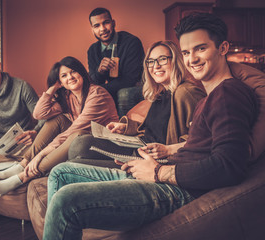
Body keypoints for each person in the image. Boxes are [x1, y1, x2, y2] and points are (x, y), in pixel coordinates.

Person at [42, 12, 259, 239]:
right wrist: (155, 157)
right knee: (60, 172)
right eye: (186, 52)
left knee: (66, 201)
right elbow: (195, 144)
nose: (192, 59)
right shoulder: (208, 97)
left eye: (201, 49)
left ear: (223, 48)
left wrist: (158, 171)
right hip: (162, 170)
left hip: (175, 188)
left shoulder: (227, 93)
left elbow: (228, 167)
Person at [0, 56, 119, 197]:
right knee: (57, 119)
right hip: (83, 139)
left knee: (77, 133)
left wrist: (41, 154)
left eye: (73, 72)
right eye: (64, 76)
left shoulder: (97, 94)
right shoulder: (69, 97)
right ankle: (23, 163)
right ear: (61, 82)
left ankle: (23, 177)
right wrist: (53, 88)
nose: (70, 77)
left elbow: (75, 129)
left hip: (103, 143)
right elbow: (39, 114)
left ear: (81, 72)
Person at [68, 40, 206, 168]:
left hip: (153, 160)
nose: (155, 66)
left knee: (75, 156)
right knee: (81, 144)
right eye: (151, 61)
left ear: (176, 61)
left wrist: (168, 150)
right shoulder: (161, 93)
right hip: (139, 147)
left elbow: (203, 140)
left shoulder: (186, 92)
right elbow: (153, 130)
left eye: (162, 59)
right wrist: (126, 128)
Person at [88, 7, 145, 116]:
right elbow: (94, 80)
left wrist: (99, 90)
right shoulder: (92, 50)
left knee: (123, 94)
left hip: (137, 87)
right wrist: (100, 72)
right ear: (92, 30)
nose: (102, 29)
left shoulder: (132, 42)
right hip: (113, 88)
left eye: (106, 23)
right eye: (97, 26)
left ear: (113, 23)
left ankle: (124, 129)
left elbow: (130, 79)